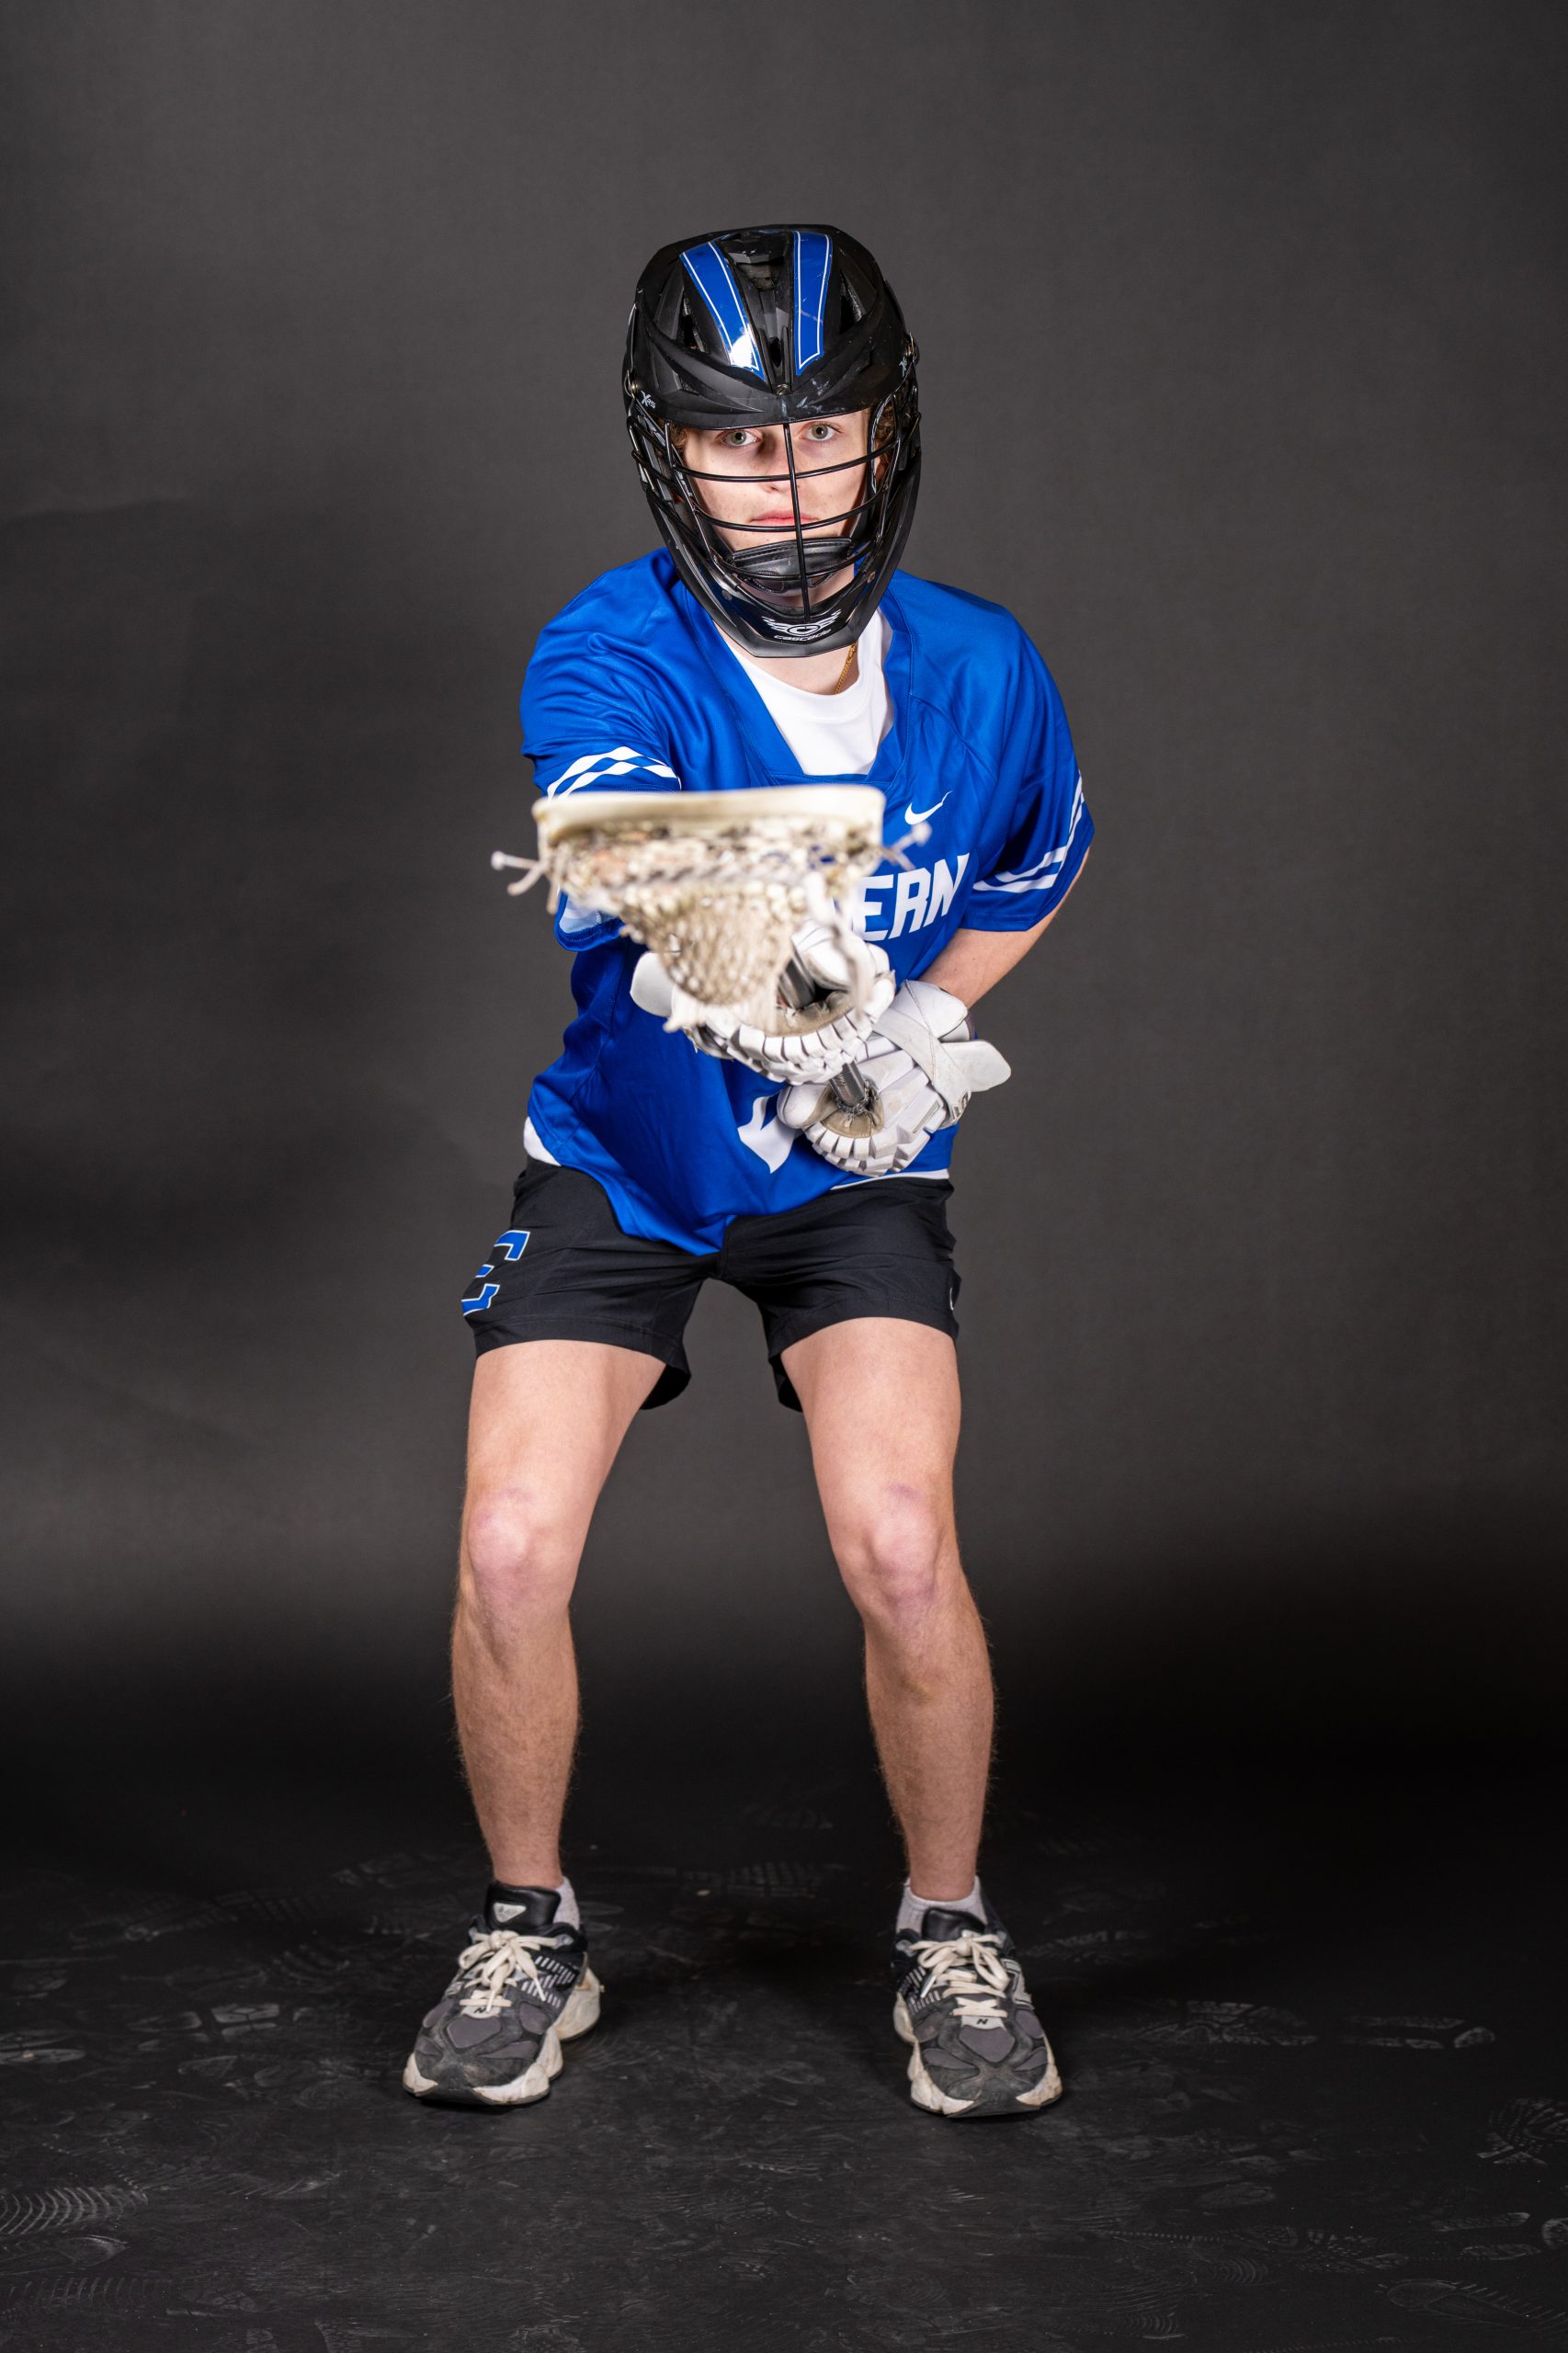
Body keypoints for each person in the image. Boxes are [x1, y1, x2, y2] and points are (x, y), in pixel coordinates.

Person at [403, 224, 1092, 2118]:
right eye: (735, 443)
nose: (784, 486)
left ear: (888, 432)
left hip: (847, 1173)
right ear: (667, 450)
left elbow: (1031, 867)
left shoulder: (985, 666)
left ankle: (948, 1925)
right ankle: (527, 1926)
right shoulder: (604, 647)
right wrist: (792, 992)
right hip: (630, 1153)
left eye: (820, 435)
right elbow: (648, 865)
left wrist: (915, 1024)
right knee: (507, 1542)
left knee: (899, 1541)